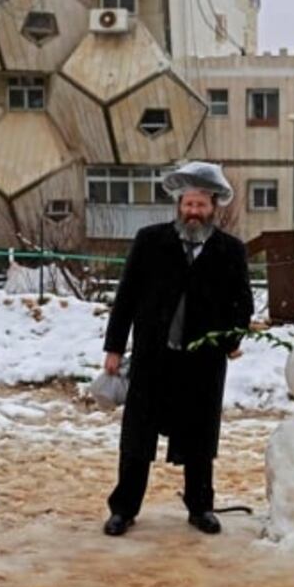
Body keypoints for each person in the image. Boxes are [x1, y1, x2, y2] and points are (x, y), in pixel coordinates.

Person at [102, 161, 253, 537]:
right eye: (188, 204)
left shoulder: (230, 250)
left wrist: (230, 341)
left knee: (200, 437)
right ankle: (123, 509)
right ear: (179, 205)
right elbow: (126, 297)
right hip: (153, 357)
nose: (193, 212)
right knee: (137, 436)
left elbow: (243, 303)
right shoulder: (150, 241)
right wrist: (114, 348)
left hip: (203, 362)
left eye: (200, 205)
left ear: (213, 207)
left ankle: (200, 507)